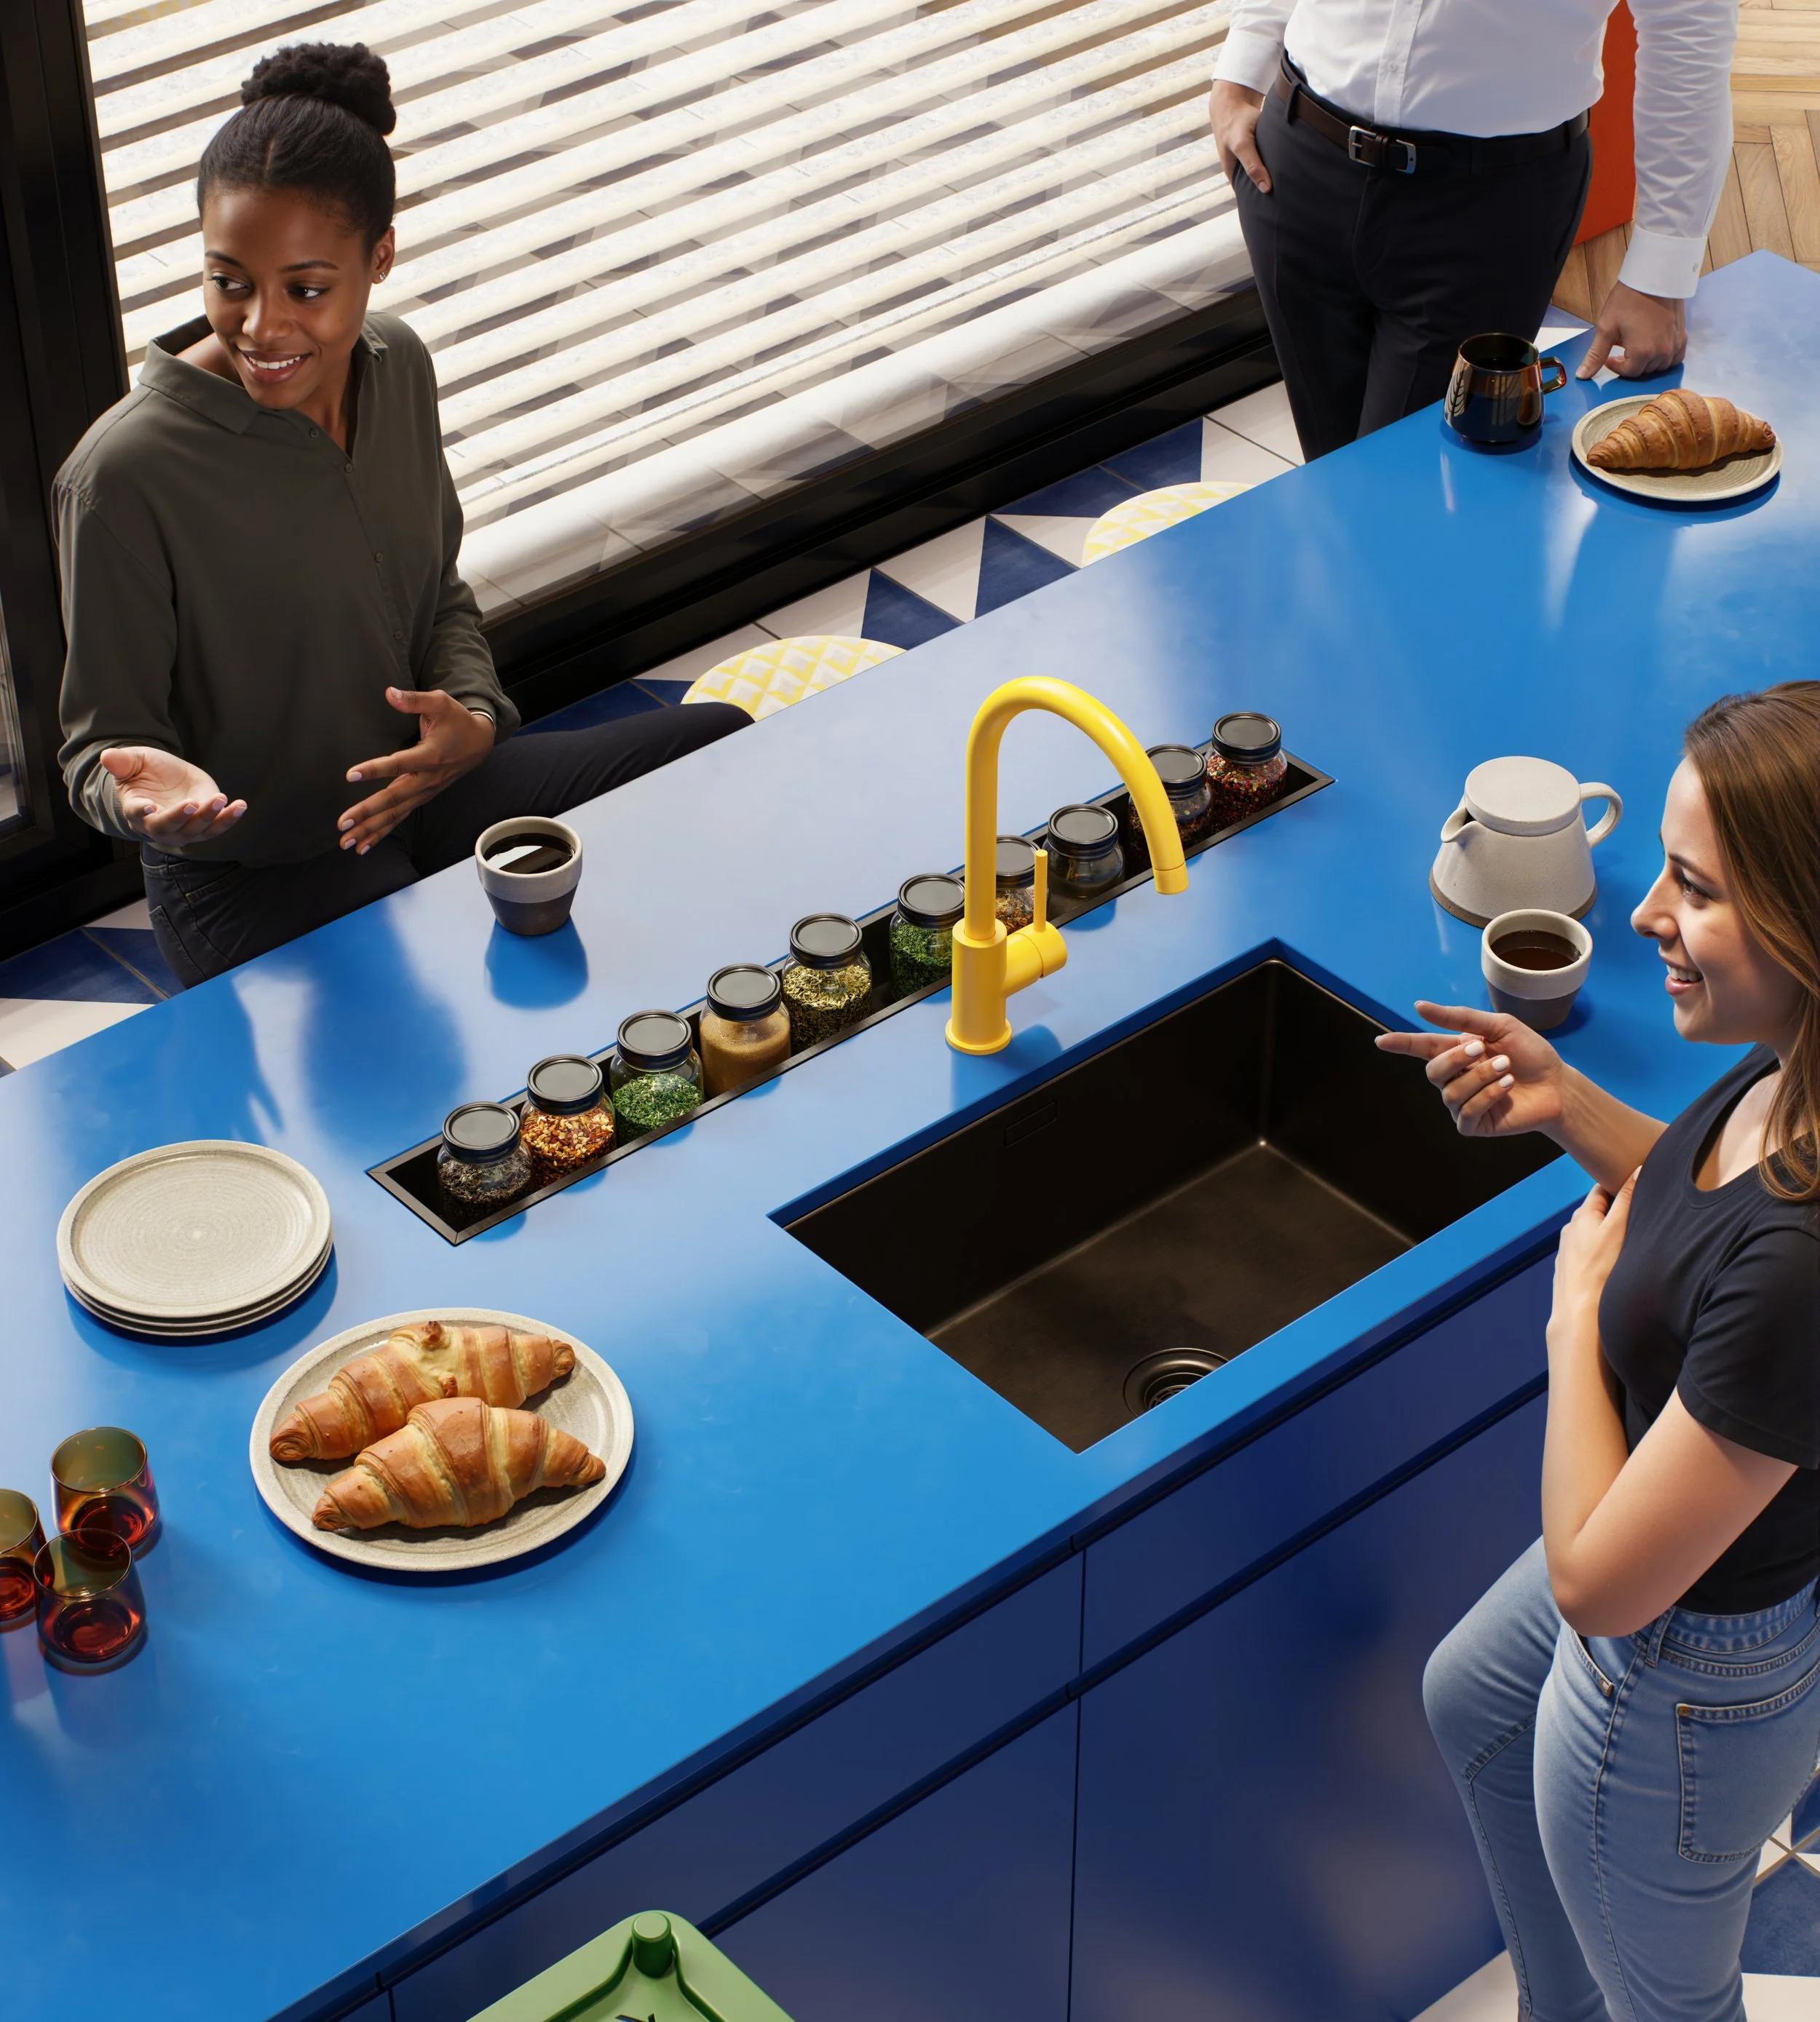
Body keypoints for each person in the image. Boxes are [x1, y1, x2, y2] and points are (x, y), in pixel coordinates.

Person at [55, 42, 746, 988]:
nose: (260, 326)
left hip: (429, 797)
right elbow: (97, 748)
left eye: (305, 288)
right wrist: (143, 803)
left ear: (379, 255)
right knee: (462, 1034)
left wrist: (470, 714)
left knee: (725, 746)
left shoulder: (399, 367)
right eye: (229, 281)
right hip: (255, 879)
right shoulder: (122, 478)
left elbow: (439, 596)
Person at [1377, 683, 1820, 2021]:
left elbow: (1599, 1583)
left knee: (1671, 2005)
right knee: (1474, 1699)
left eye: (1692, 887)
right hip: (1684, 1613)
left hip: (1682, 1671)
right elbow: (1717, 1229)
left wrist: (1576, 1323)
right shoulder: (1791, 1064)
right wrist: (1569, 1105)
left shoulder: (1811, 1260)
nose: (1639, 917)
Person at [1208, 1, 1738, 460]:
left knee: (1410, 489)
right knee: (1330, 474)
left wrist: (1660, 273)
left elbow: (1689, 34)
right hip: (1296, 161)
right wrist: (1240, 70)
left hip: (1487, 209)